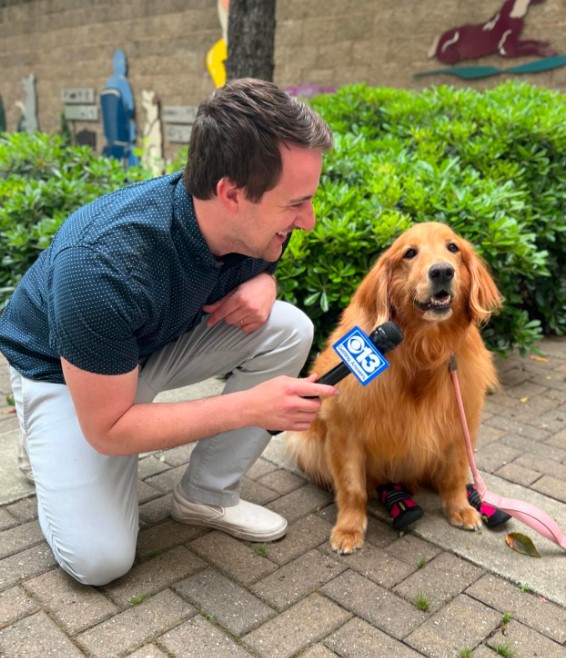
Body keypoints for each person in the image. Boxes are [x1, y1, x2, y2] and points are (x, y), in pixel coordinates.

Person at [0, 78, 338, 586]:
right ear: (231, 193)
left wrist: (266, 281)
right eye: (294, 205)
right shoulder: (102, 265)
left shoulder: (255, 226)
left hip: (149, 343)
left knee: (288, 326)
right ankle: (42, 433)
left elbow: (267, 260)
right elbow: (109, 429)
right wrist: (250, 407)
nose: (308, 221)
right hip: (62, 372)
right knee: (101, 561)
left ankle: (206, 495)